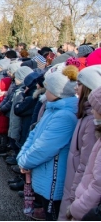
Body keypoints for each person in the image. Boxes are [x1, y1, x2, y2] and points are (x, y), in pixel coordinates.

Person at [17, 65, 79, 221]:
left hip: (53, 177)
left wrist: (25, 161)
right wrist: (22, 157)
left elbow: (44, 147)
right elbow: (34, 135)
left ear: (57, 93)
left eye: (48, 90)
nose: (45, 93)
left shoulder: (64, 116)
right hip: (46, 173)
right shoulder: (52, 109)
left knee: (52, 213)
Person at [58, 65, 101, 220]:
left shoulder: (91, 121)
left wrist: (74, 197)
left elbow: (86, 164)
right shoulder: (86, 115)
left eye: (80, 84)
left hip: (78, 188)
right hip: (75, 182)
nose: (75, 88)